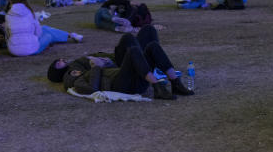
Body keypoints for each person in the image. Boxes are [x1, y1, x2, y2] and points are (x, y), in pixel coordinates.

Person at [47, 25, 193, 99]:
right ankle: (157, 86)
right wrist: (99, 66)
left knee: (150, 36)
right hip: (120, 73)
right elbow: (77, 83)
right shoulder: (70, 72)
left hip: (122, 67)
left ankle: (175, 83)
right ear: (57, 72)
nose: (60, 60)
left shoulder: (76, 62)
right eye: (57, 63)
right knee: (129, 41)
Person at [4, 0, 82, 57]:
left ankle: (69, 35)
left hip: (13, 50)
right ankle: (70, 35)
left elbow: (7, 34)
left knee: (43, 29)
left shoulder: (8, 16)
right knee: (48, 35)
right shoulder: (30, 13)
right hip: (31, 50)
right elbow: (38, 33)